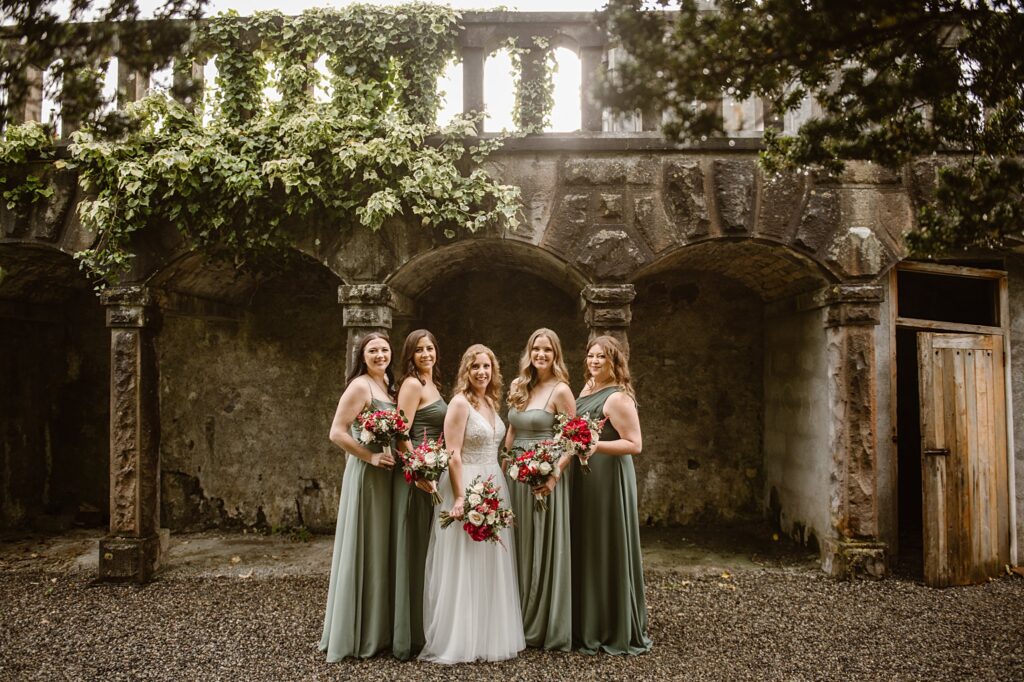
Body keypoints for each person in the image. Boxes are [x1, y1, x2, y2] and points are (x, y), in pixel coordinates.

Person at [419, 344, 525, 664]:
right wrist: (462, 496)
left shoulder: (491, 401)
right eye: (476, 366)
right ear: (466, 370)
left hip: (494, 481)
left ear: (494, 371)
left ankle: (489, 634)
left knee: (491, 561)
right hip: (465, 482)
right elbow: (452, 454)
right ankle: (461, 638)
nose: (482, 372)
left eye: (487, 367)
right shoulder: (460, 403)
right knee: (462, 562)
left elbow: (498, 442)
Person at [320, 332, 399, 661]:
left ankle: (379, 629)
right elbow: (337, 431)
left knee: (382, 547)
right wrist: (369, 457)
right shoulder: (360, 386)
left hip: (388, 475)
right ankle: (357, 632)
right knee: (365, 545)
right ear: (362, 356)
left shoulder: (387, 387)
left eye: (384, 349)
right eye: (373, 350)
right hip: (368, 474)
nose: (380, 354)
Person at [571, 335, 652, 655]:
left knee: (606, 543)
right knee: (588, 544)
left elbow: (634, 444)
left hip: (608, 478)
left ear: (614, 362)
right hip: (586, 478)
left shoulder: (618, 398)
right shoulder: (587, 389)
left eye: (601, 358)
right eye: (590, 356)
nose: (593, 362)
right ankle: (586, 620)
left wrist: (595, 446)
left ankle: (610, 625)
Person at [503, 328, 576, 650]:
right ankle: (510, 617)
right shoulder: (519, 385)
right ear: (529, 353)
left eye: (547, 350)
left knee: (540, 541)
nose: (541, 355)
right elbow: (511, 430)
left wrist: (554, 474)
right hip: (514, 476)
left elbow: (574, 440)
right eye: (536, 349)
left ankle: (540, 621)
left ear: (555, 354)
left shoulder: (561, 391)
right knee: (514, 541)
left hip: (544, 476)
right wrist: (502, 465)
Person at [392, 330, 447, 660]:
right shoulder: (412, 384)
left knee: (430, 552)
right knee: (416, 551)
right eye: (419, 350)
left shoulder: (433, 382)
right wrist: (419, 472)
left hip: (433, 473)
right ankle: (410, 635)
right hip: (418, 479)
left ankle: (428, 627)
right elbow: (402, 433)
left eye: (430, 347)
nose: (426, 354)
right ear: (409, 355)